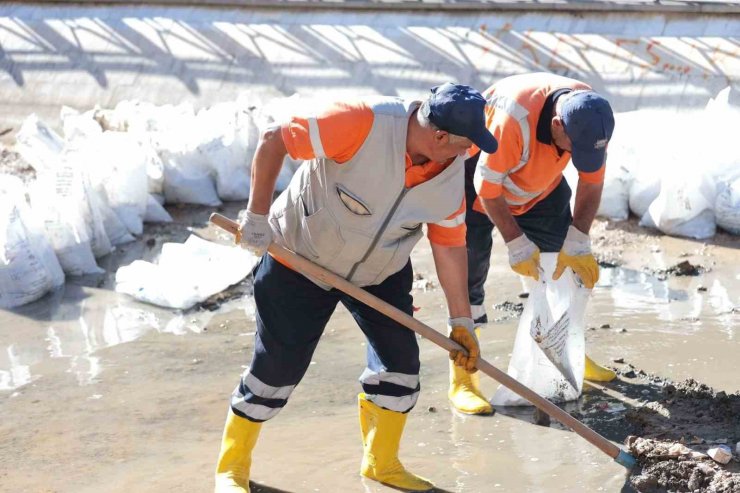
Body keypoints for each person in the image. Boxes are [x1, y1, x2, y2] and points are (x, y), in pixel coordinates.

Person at [214, 83, 499, 492]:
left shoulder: (451, 170)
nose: (468, 154)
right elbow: (275, 139)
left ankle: (381, 463)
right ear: (439, 136)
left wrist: (461, 321)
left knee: (400, 369)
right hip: (300, 257)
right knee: (276, 370)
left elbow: (449, 243)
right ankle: (231, 469)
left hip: (379, 272)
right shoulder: (360, 121)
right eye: (463, 145)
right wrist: (256, 216)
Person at [461, 72, 617, 399]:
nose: (578, 158)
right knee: (466, 276)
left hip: (539, 187)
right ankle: (463, 375)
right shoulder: (513, 120)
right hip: (478, 185)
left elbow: (591, 181)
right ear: (558, 124)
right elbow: (486, 189)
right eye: (574, 149)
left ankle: (567, 352)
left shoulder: (590, 115)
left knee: (565, 271)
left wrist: (578, 240)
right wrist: (516, 243)